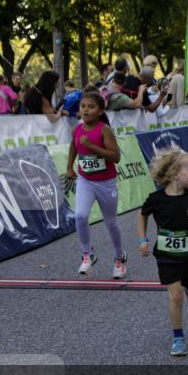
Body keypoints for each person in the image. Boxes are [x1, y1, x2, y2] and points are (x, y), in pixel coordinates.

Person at [137, 147, 188, 357]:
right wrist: (142, 238)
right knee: (175, 296)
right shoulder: (156, 199)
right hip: (167, 257)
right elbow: (142, 215)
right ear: (175, 174)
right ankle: (178, 337)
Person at [65, 91, 127, 278]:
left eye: (91, 107)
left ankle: (119, 258)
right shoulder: (77, 129)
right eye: (83, 106)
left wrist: (92, 147)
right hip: (86, 180)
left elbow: (115, 157)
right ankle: (87, 254)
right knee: (80, 216)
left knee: (111, 222)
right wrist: (69, 167)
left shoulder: (104, 130)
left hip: (106, 183)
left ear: (100, 111)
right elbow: (74, 146)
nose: (85, 110)